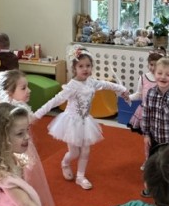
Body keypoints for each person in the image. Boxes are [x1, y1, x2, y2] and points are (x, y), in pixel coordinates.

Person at [32, 46, 129, 190]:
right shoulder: (72, 86)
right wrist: (37, 114)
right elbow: (55, 101)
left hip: (85, 121)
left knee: (86, 151)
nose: (85, 69)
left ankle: (80, 177)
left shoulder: (92, 82)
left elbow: (106, 84)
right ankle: (65, 163)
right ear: (74, 68)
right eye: (81, 66)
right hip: (71, 122)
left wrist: (123, 90)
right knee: (74, 152)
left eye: (88, 66)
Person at [0, 69, 55, 206]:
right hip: (14, 149)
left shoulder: (6, 108)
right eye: (23, 88)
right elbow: (31, 118)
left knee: (19, 174)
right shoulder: (15, 110)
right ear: (8, 92)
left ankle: (19, 201)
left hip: (18, 147)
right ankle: (19, 205)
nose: (29, 91)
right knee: (17, 175)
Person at [140, 56, 169, 195]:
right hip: (154, 138)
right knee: (153, 164)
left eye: (168, 74)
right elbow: (146, 114)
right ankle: (152, 187)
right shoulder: (150, 93)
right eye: (159, 73)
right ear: (154, 74)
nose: (163, 77)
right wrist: (146, 134)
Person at [127, 50, 164, 168]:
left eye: (156, 65)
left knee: (158, 139)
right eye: (151, 64)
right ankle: (148, 160)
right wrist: (128, 97)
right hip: (145, 113)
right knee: (147, 139)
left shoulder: (163, 78)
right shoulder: (143, 77)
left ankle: (158, 160)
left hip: (158, 114)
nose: (153, 68)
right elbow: (139, 94)